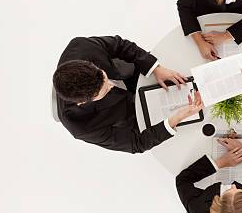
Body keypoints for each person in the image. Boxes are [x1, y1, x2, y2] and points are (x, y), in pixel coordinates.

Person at [53, 35, 202, 153]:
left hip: (135, 73)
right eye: (105, 90)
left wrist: (155, 68)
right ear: (83, 103)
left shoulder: (81, 47)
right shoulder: (80, 126)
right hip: (134, 113)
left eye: (104, 76)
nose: (111, 84)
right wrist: (176, 118)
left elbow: (121, 45)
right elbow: (136, 143)